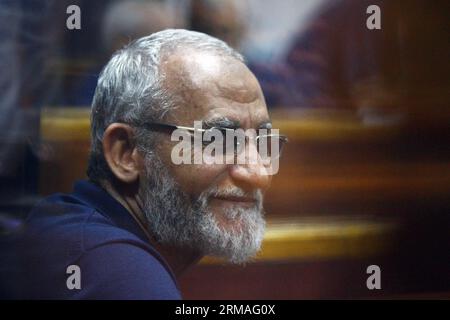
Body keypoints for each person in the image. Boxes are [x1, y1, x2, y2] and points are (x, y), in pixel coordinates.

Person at [0, 29, 286, 299]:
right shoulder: (118, 273)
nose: (258, 174)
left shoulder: (83, 238)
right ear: (126, 153)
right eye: (219, 140)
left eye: (263, 143)